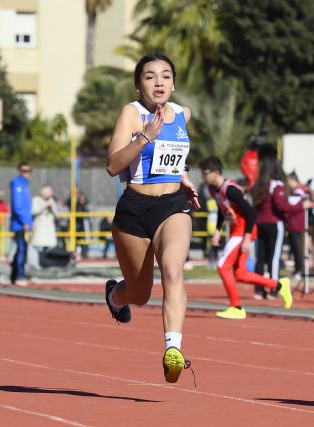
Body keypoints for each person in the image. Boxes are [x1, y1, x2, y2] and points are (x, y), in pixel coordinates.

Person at [104, 53, 200, 384]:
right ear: (138, 84)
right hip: (134, 209)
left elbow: (175, 157)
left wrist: (184, 177)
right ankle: (116, 296)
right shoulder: (132, 114)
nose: (158, 82)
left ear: (173, 83)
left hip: (173, 206)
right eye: (149, 76)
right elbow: (113, 166)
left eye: (165, 76)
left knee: (173, 270)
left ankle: (173, 349)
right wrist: (144, 136)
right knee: (140, 293)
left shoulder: (183, 115)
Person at [199, 156, 293, 320]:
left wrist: (248, 238)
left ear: (215, 173)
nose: (203, 177)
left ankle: (236, 307)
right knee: (241, 274)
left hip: (243, 232)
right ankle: (279, 284)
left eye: (205, 173)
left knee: (222, 266)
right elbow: (223, 210)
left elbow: (251, 213)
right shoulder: (214, 189)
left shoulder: (230, 189)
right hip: (237, 231)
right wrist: (217, 232)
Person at [251, 147, 307, 298]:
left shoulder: (257, 184)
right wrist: (300, 206)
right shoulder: (276, 184)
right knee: (274, 258)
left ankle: (259, 289)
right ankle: (274, 289)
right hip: (274, 223)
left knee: (260, 257)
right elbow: (281, 205)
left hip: (259, 223)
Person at [10, 162, 33, 286]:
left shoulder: (25, 185)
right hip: (19, 224)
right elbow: (17, 206)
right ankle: (19, 276)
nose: (28, 173)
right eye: (25, 171)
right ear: (20, 171)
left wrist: (30, 222)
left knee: (23, 249)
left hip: (25, 223)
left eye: (29, 170)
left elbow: (27, 207)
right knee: (21, 249)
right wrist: (24, 221)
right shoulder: (17, 184)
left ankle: (16, 275)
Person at [285, 171, 308, 280]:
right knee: (296, 248)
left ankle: (299, 270)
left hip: (296, 224)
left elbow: (291, 204)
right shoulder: (298, 191)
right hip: (294, 224)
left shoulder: (298, 192)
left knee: (297, 248)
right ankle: (298, 270)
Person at [31, 185, 59, 268]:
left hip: (49, 230)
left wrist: (52, 206)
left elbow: (56, 214)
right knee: (39, 249)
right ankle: (38, 265)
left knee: (50, 248)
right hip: (40, 229)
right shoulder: (36, 200)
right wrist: (45, 205)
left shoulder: (52, 201)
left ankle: (48, 265)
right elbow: (34, 211)